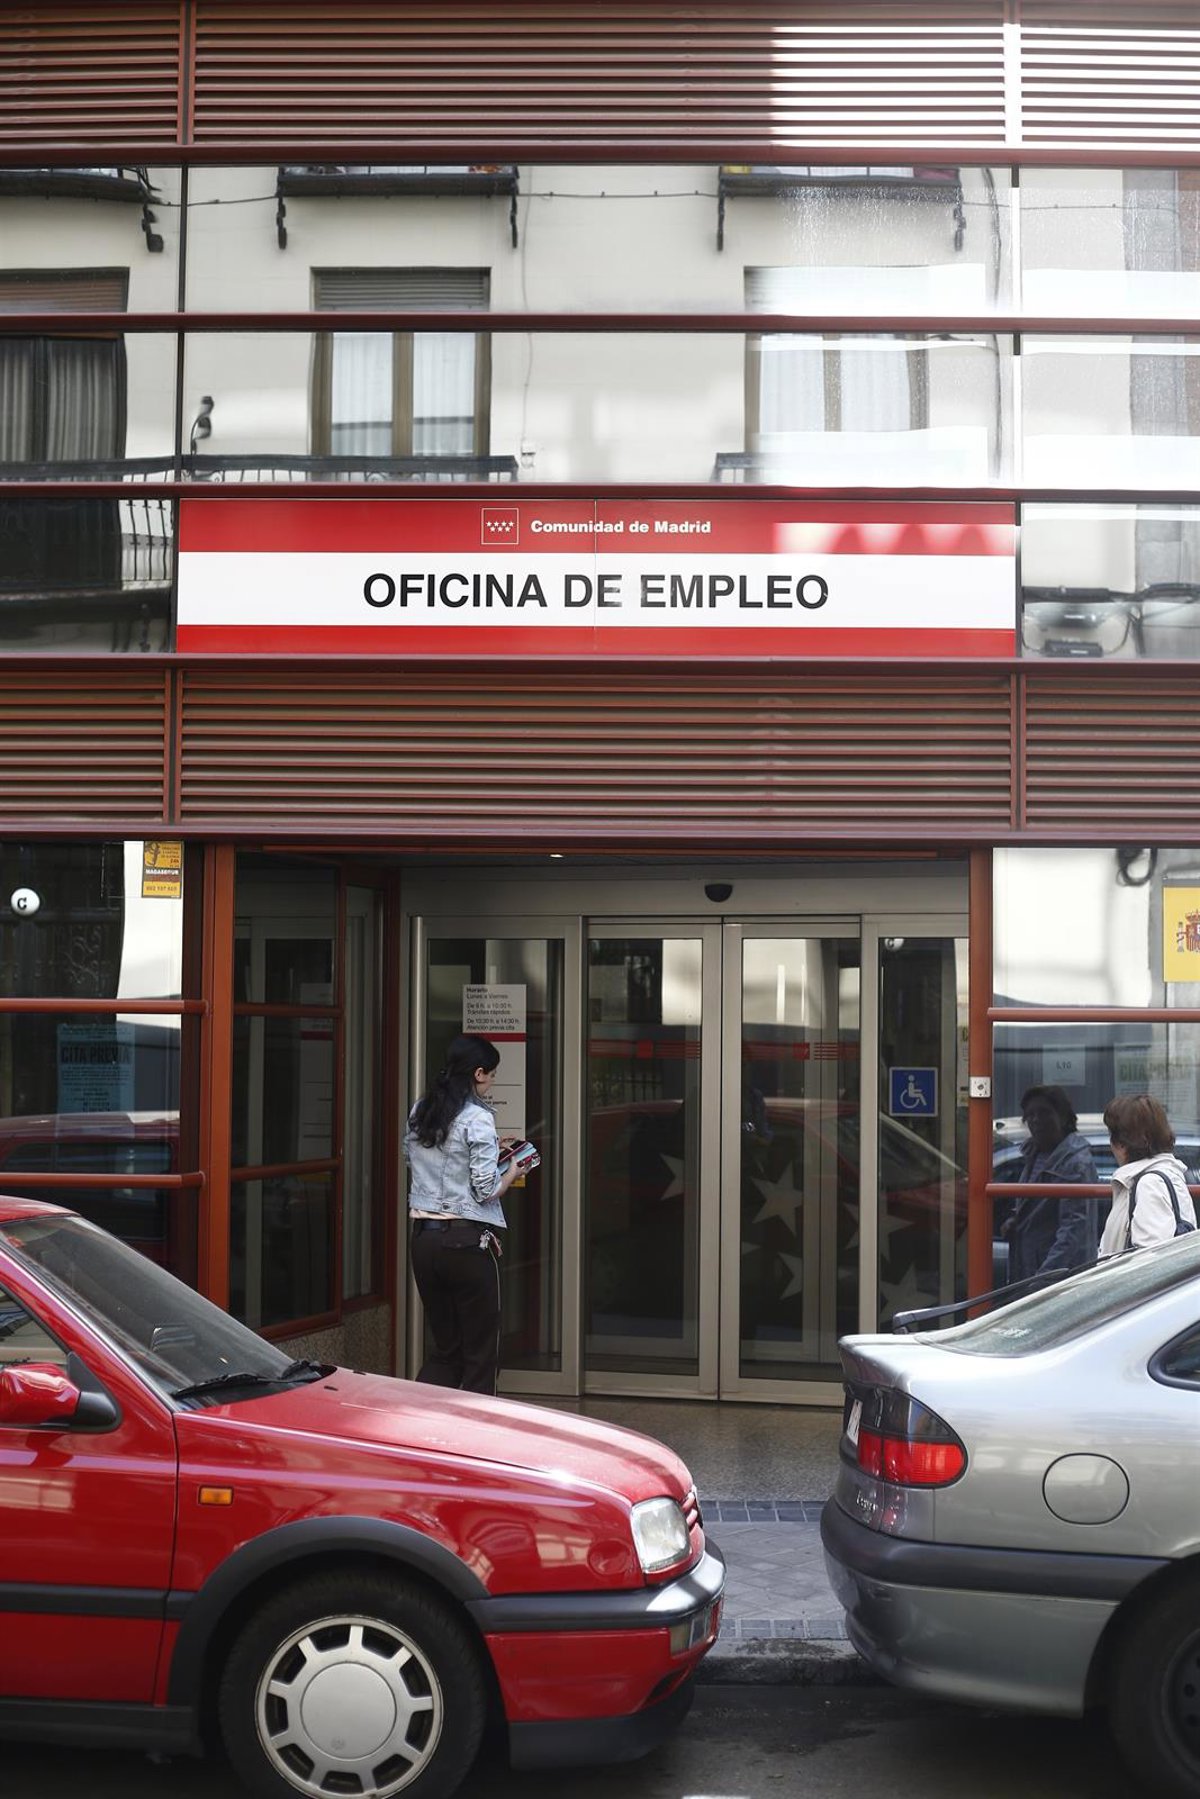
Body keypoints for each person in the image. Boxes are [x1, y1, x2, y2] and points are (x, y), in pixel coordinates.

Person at [403, 1032, 524, 1394]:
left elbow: (413, 1159)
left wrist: (487, 1150)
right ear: (478, 1073)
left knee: (446, 1350)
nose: (492, 1082)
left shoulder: (420, 1110)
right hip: (467, 1243)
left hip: (423, 1241)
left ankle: (418, 1419)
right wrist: (512, 1171)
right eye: (492, 1074)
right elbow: (486, 1189)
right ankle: (475, 1425)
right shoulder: (477, 1118)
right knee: (480, 1352)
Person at [1001, 1085, 1099, 1283]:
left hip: (1057, 1276)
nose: (1036, 1120)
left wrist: (1043, 1279)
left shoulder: (1075, 1163)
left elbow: (1073, 1230)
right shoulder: (1032, 1154)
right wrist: (1016, 1222)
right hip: (1031, 1265)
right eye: (1030, 1115)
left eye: (1044, 1113)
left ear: (1063, 1117)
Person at [1100, 1092, 1197, 1257]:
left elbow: (1150, 1260)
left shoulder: (1150, 1184)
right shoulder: (1165, 1175)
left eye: (1111, 1134)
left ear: (1121, 1143)